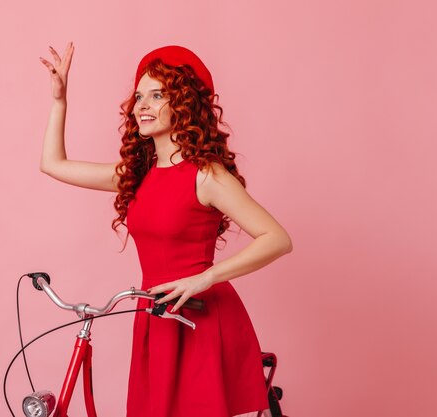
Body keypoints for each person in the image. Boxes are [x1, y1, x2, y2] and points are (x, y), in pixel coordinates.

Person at [39, 42, 292, 417]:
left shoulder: (206, 175)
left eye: (157, 95)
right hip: (154, 316)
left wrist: (205, 277)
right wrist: (60, 100)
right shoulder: (137, 177)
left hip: (199, 315)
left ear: (184, 101)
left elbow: (277, 238)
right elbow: (52, 164)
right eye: (139, 96)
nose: (142, 105)